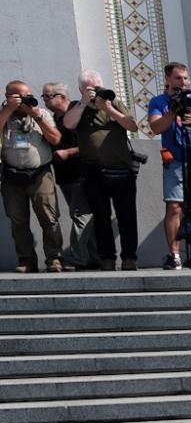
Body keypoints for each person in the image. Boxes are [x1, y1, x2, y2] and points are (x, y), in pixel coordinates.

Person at [144, 62, 191, 270]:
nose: (183, 82)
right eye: (178, 78)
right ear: (167, 79)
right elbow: (156, 127)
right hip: (175, 160)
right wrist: (173, 112)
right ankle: (175, 255)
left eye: (185, 78)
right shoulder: (158, 102)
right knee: (173, 206)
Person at [67, 71, 142, 270]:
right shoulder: (77, 106)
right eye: (90, 89)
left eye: (98, 87)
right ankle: (107, 257)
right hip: (93, 171)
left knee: (127, 216)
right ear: (81, 90)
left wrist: (108, 109)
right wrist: (84, 102)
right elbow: (68, 124)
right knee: (101, 217)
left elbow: (133, 126)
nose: (96, 91)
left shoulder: (114, 103)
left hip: (121, 170)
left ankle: (129, 258)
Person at [2, 79, 63, 272]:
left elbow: (56, 139)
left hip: (40, 174)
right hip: (11, 176)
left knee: (49, 218)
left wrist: (37, 117)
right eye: (21, 96)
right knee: (18, 222)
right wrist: (8, 110)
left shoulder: (41, 113)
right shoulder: (3, 115)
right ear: (8, 97)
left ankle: (54, 258)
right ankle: (26, 261)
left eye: (29, 95)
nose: (26, 99)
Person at [41, 83, 94, 271]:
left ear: (62, 97)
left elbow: (92, 143)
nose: (45, 100)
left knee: (81, 215)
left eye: (48, 96)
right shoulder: (52, 119)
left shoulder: (78, 113)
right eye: (44, 96)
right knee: (80, 215)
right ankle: (92, 257)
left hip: (81, 172)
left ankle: (78, 258)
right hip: (64, 175)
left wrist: (68, 153)